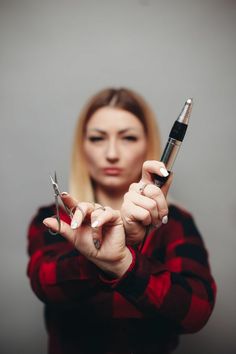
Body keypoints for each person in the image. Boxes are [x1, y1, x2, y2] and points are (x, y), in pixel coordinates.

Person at [27, 88, 216, 354]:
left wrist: (123, 263)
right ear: (82, 147)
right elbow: (44, 283)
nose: (112, 153)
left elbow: (196, 311)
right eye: (97, 138)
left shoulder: (175, 224)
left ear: (148, 145)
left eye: (128, 138)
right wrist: (98, 258)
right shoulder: (56, 219)